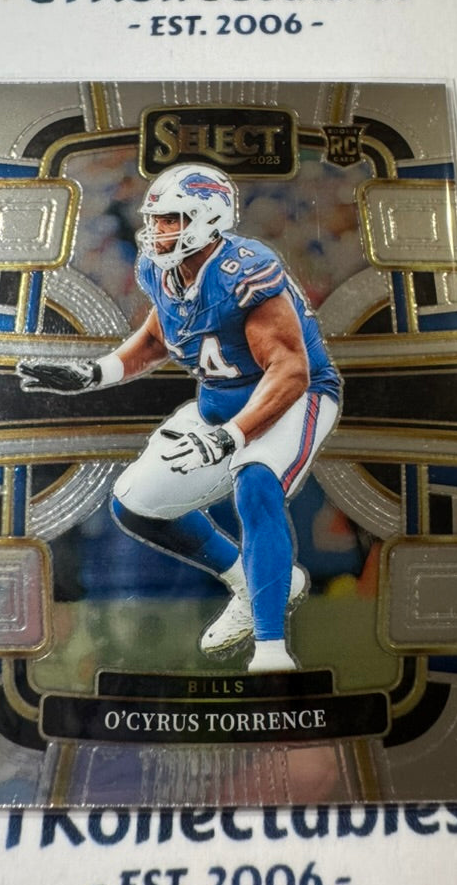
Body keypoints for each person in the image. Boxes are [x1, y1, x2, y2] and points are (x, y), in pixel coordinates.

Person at [18, 163, 341, 672]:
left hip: (292, 399)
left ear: (208, 218)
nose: (157, 230)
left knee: (256, 483)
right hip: (219, 403)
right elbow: (159, 336)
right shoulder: (162, 269)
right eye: (155, 219)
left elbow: (290, 370)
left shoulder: (244, 271)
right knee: (134, 505)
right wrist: (93, 373)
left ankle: (271, 649)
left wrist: (230, 437)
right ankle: (247, 582)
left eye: (171, 219)